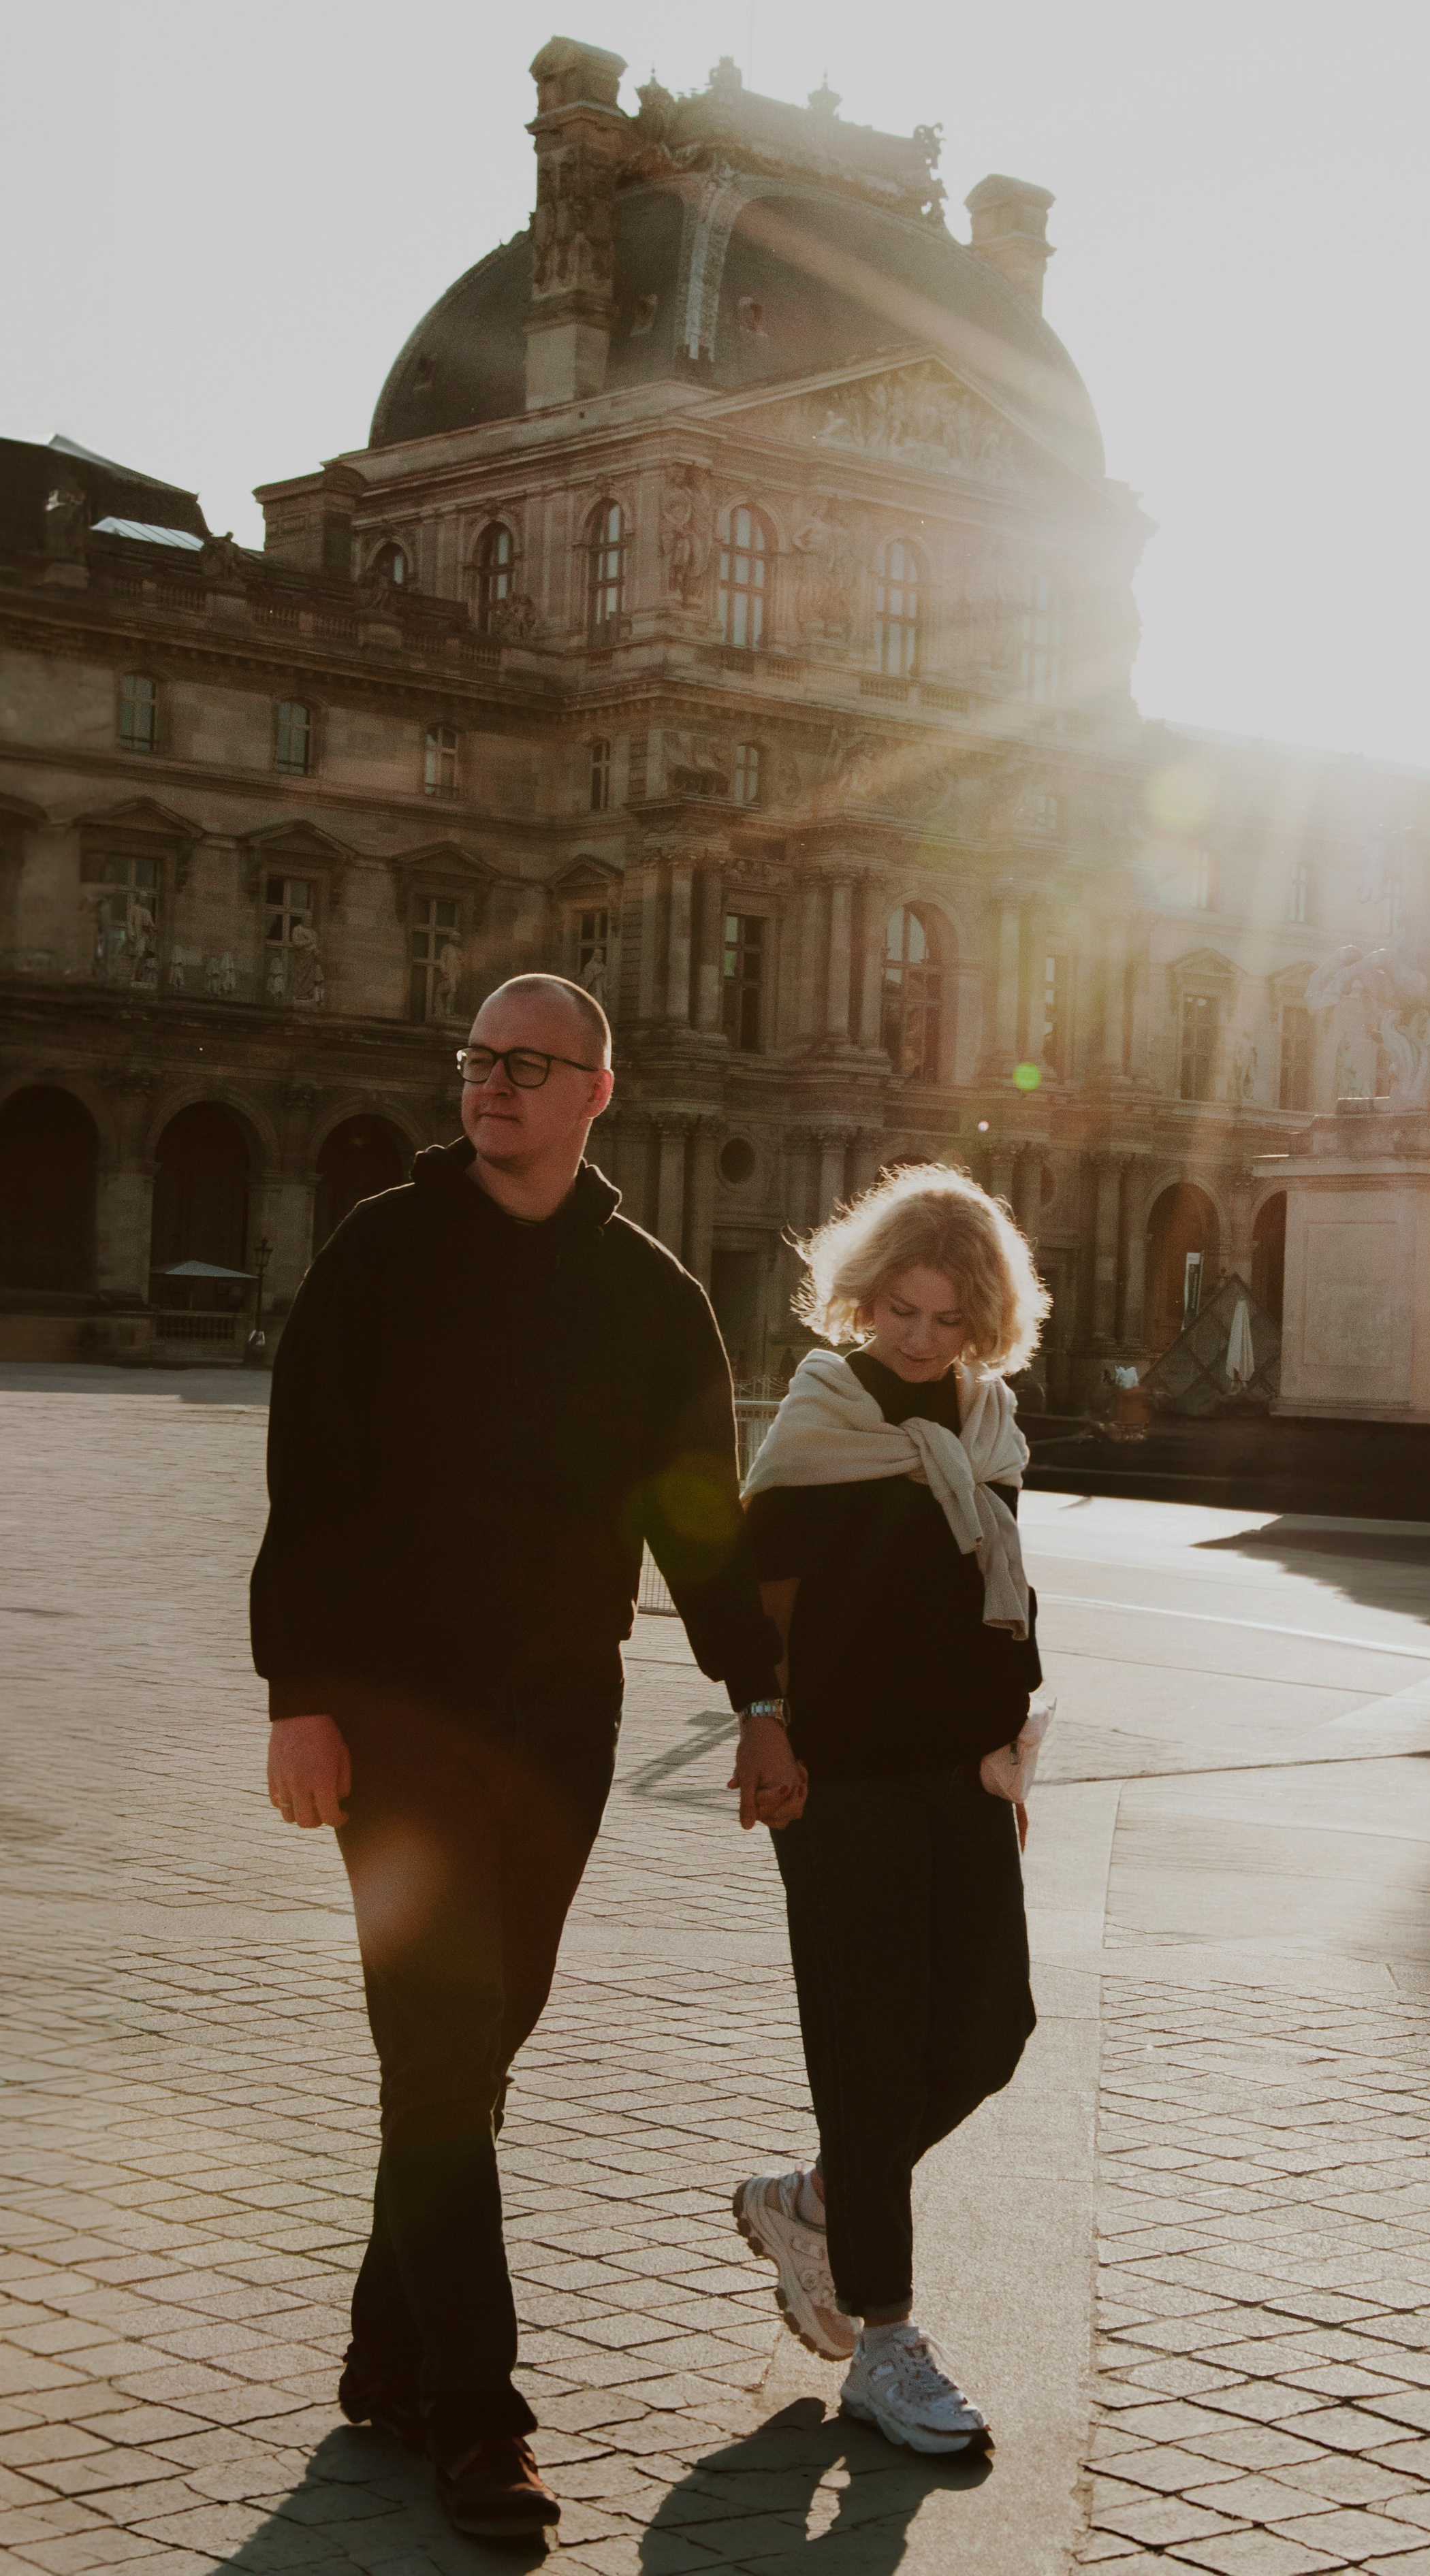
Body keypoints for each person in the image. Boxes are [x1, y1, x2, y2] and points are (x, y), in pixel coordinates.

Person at [251, 975, 784, 2543]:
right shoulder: (378, 1251)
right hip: (393, 1710)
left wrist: (759, 1694)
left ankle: (384, 2348)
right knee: (436, 2042)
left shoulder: (648, 1292)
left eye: (528, 1064)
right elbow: (307, 1481)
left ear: (593, 1093)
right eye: (479, 1058)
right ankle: (480, 2419)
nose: (492, 1083)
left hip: (562, 1715)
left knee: (475, 2053)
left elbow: (700, 1513)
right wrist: (298, 1691)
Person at [728, 1163, 1049, 2457]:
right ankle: (886, 2337)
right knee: (868, 2046)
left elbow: (1009, 1599)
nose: (920, 1339)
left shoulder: (990, 1428)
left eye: (947, 1320)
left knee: (991, 2025)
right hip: (841, 1773)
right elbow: (758, 1597)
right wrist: (762, 1721)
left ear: (983, 1323)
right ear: (862, 1301)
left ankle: (815, 2198)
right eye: (901, 1312)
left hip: (960, 1771)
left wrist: (1009, 1752)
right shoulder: (821, 1417)